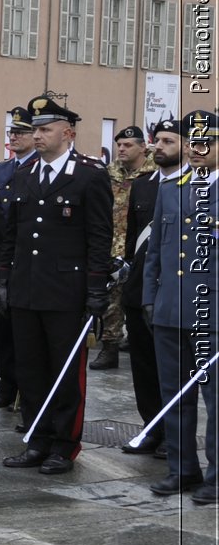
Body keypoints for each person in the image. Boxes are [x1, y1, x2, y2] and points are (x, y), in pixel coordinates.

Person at [0, 95, 111, 475]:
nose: (38, 136)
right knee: (29, 369)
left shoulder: (89, 174)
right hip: (26, 287)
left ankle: (64, 444)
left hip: (66, 290)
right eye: (35, 130)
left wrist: (96, 290)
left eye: (45, 130)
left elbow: (99, 237)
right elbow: (11, 235)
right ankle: (36, 437)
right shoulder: (24, 174)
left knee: (65, 372)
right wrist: (3, 281)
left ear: (69, 133)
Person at [143, 109, 216, 504]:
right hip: (171, 308)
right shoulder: (172, 188)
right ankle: (182, 468)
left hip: (213, 314)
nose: (197, 149)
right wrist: (150, 299)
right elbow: (156, 250)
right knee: (174, 395)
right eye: (192, 142)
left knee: (215, 401)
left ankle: (217, 476)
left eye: (207, 142)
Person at [121, 115, 182, 460]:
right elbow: (134, 240)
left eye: (168, 141)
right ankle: (151, 428)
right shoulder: (143, 185)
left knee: (172, 370)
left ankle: (173, 436)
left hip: (176, 293)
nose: (159, 147)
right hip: (141, 290)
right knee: (143, 367)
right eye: (157, 140)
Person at [0, 106, 38, 409]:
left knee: (24, 329)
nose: (14, 136)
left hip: (27, 253)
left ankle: (24, 388)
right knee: (3, 326)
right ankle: (6, 383)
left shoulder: (38, 166)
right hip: (2, 252)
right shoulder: (3, 169)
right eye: (11, 131)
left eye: (21, 132)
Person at [96, 125, 155, 370]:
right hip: (111, 244)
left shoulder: (154, 174)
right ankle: (109, 348)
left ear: (143, 147)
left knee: (140, 300)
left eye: (128, 145)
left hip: (140, 247)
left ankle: (140, 343)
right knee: (111, 301)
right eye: (119, 144)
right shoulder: (108, 173)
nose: (121, 148)